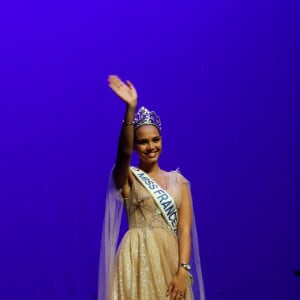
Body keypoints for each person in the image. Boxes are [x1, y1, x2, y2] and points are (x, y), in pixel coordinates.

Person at [98, 75, 205, 300]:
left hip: (170, 259)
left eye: (155, 140)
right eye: (143, 142)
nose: (151, 146)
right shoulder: (128, 176)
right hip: (136, 259)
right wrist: (130, 109)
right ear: (136, 146)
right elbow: (123, 153)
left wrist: (183, 270)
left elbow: (184, 229)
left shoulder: (180, 182)